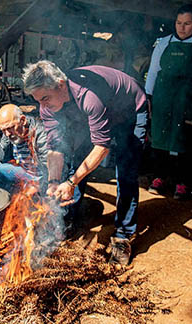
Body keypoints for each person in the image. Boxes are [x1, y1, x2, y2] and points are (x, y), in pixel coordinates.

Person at [22, 60, 148, 265]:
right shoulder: (49, 106)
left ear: (61, 84)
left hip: (129, 110)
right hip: (98, 111)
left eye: (45, 98)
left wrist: (71, 182)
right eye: (38, 100)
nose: (42, 106)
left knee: (126, 171)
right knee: (78, 159)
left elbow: (101, 147)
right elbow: (55, 149)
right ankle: (70, 218)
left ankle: (124, 235)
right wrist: (55, 181)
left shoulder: (89, 97)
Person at [144, 4, 192, 200]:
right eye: (178, 23)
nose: (181, 28)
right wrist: (148, 97)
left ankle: (183, 183)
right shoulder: (164, 43)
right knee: (159, 140)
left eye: (186, 24)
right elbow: (152, 71)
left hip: (188, 100)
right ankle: (159, 178)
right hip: (162, 98)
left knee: (185, 141)